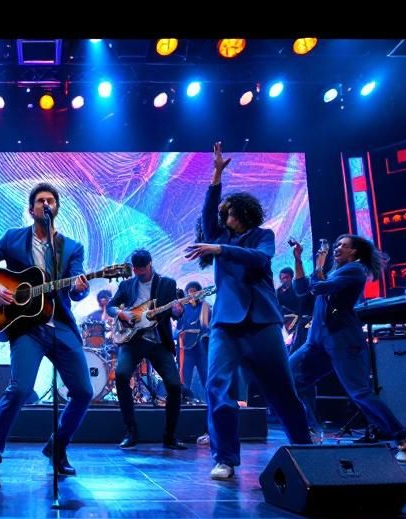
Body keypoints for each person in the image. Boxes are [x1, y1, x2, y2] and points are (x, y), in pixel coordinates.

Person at [184, 141, 311, 480]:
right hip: (226, 324)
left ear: (242, 214)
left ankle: (305, 449)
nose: (224, 218)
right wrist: (216, 175)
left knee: (282, 391)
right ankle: (224, 457)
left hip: (262, 321)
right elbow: (208, 213)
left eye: (228, 213)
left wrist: (221, 250)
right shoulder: (220, 236)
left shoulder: (262, 236)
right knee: (217, 387)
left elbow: (261, 259)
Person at [0, 182, 91, 490]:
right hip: (27, 328)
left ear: (56, 208)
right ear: (31, 208)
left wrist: (81, 288)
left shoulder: (72, 247)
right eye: (40, 200)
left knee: (83, 391)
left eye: (51, 200)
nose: (45, 204)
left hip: (60, 325)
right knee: (20, 389)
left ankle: (58, 445)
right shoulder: (13, 238)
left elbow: (76, 289)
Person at [289, 236, 406, 462]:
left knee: (359, 392)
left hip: (343, 339)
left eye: (343, 245)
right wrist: (298, 260)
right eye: (337, 244)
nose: (337, 248)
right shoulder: (335, 271)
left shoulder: (355, 270)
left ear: (355, 252)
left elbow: (318, 288)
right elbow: (301, 289)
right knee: (290, 379)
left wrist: (318, 267)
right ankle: (310, 428)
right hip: (317, 340)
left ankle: (405, 439)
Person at [106, 249, 187, 450]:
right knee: (121, 375)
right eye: (136, 270)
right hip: (133, 340)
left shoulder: (167, 284)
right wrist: (121, 313)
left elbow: (173, 313)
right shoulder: (127, 285)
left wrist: (178, 311)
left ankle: (170, 436)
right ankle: (131, 431)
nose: (139, 273)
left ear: (150, 264)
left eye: (142, 269)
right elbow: (111, 306)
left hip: (158, 341)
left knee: (174, 386)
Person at [175, 280, 211, 405]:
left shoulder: (205, 307)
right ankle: (184, 404)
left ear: (199, 292)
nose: (192, 294)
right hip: (186, 349)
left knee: (207, 378)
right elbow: (178, 328)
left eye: (195, 291)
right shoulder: (182, 308)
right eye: (190, 291)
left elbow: (209, 327)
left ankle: (213, 404)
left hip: (202, 349)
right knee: (184, 379)